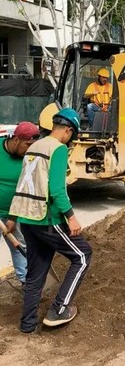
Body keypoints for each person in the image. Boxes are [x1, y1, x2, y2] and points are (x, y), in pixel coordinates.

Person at [6, 108, 92, 333]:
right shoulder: (58, 149)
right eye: (72, 134)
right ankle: (60, 309)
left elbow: (22, 184)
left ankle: (27, 325)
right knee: (82, 256)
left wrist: (13, 217)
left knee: (35, 273)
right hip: (47, 218)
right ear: (68, 130)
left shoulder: (34, 147)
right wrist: (71, 218)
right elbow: (57, 190)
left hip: (28, 219)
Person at [0, 122, 40, 286]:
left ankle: (26, 284)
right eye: (27, 145)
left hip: (13, 213)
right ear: (16, 139)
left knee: (20, 247)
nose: (30, 149)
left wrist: (13, 217)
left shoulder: (29, 158)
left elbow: (26, 190)